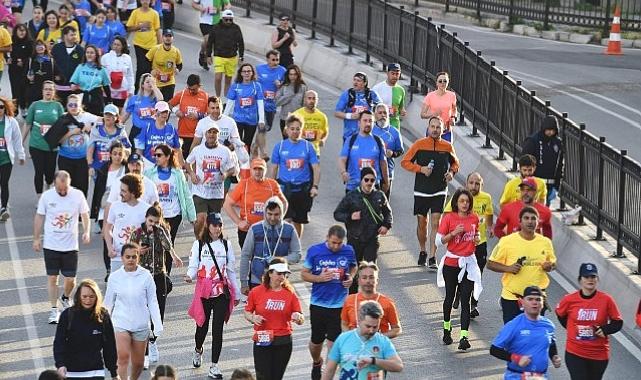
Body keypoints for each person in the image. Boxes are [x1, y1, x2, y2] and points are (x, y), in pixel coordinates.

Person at [185, 212, 241, 379]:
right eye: (214, 225)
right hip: (204, 291)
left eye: (220, 225)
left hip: (221, 292)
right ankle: (198, 350)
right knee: (201, 327)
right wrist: (189, 275)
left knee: (218, 330)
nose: (217, 228)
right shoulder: (199, 244)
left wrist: (236, 293)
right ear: (207, 226)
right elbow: (194, 265)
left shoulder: (226, 245)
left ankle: (214, 365)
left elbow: (231, 271)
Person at [401, 115, 459, 269]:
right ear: (428, 128)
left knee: (436, 223)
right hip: (421, 190)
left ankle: (433, 256)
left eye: (438, 127)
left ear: (443, 129)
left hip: (439, 190)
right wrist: (421, 169)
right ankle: (422, 250)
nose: (435, 130)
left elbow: (455, 164)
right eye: (432, 127)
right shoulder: (419, 144)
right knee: (422, 223)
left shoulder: (447, 146)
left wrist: (451, 174)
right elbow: (405, 162)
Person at [33, 171, 90, 324]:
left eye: (65, 188)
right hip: (51, 244)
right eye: (60, 189)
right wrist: (36, 238)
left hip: (70, 245)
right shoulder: (47, 196)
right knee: (52, 277)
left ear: (69, 183)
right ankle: (53, 309)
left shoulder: (77, 195)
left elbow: (85, 214)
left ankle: (65, 297)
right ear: (54, 184)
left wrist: (86, 231)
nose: (63, 191)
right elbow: (39, 216)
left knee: (70, 279)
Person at [301, 225, 357, 380]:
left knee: (333, 344)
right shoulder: (315, 251)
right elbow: (304, 274)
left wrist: (351, 277)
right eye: (333, 242)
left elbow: (353, 267)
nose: (336, 246)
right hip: (318, 304)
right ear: (327, 237)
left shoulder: (348, 251)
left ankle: (327, 374)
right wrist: (319, 278)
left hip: (339, 306)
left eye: (339, 243)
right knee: (316, 342)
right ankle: (317, 362)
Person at [128, 203, 182, 364]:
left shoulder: (161, 231)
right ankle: (143, 352)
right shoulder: (137, 233)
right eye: (151, 221)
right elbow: (128, 252)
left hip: (159, 275)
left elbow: (168, 246)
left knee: (159, 311)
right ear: (146, 219)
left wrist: (174, 255)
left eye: (156, 222)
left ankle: (153, 341)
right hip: (142, 276)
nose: (153, 225)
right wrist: (138, 250)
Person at [487, 206, 557, 324]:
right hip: (512, 299)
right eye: (526, 218)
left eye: (533, 218)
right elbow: (490, 264)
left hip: (536, 300)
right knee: (513, 338)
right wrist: (508, 268)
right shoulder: (506, 241)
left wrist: (549, 266)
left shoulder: (545, 242)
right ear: (520, 221)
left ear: (538, 222)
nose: (530, 221)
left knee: (533, 337)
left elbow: (553, 263)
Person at [105, 242, 163, 380]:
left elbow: (152, 301)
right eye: (127, 257)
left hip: (140, 324)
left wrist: (158, 324)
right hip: (120, 322)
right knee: (123, 356)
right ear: (122, 258)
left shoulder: (146, 276)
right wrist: (101, 324)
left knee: (138, 363)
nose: (130, 259)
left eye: (133, 256)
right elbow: (107, 303)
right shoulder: (114, 277)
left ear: (138, 257)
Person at [556, 263, 623, 380]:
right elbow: (560, 314)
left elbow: (617, 322)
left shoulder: (606, 300)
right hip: (575, 352)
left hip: (598, 354)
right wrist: (571, 328)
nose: (590, 280)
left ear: (597, 279)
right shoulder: (569, 299)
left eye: (593, 277)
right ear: (580, 280)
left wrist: (605, 330)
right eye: (586, 277)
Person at [435, 188, 481, 350]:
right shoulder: (449, 218)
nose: (464, 204)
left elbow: (476, 236)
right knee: (449, 297)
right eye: (461, 201)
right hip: (452, 263)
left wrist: (476, 239)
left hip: (468, 263)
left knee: (466, 300)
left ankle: (464, 337)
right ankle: (447, 328)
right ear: (456, 202)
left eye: (467, 201)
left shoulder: (474, 217)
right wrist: (453, 233)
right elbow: (438, 242)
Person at [333, 167, 392, 294]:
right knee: (353, 269)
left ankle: (370, 296)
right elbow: (337, 214)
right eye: (367, 180)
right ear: (361, 180)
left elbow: (388, 213)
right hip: (355, 239)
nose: (369, 183)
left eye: (372, 180)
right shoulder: (352, 196)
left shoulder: (379, 195)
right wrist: (350, 217)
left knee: (371, 270)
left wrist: (386, 225)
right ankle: (353, 297)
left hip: (372, 239)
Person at [244, 258, 305, 380]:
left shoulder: (290, 293)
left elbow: (301, 317)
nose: (282, 276)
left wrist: (298, 317)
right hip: (263, 338)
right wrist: (253, 317)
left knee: (276, 377)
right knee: (262, 377)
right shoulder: (256, 292)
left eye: (285, 274)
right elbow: (247, 312)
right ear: (270, 273)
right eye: (279, 273)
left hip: (283, 340)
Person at [444, 172, 494, 317]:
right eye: (471, 183)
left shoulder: (486, 198)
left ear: (481, 185)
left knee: (477, 273)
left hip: (480, 243)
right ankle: (459, 292)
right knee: (463, 273)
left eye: (477, 183)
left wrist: (490, 227)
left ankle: (473, 303)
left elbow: (489, 213)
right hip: (461, 245)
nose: (474, 186)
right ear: (466, 184)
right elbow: (447, 213)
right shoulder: (460, 198)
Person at [53, 279, 119, 380]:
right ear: (79, 297)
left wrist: (114, 373)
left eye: (92, 297)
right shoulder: (67, 315)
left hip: (95, 371)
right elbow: (59, 342)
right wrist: (60, 364)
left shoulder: (103, 316)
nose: (88, 300)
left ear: (97, 297)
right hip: (71, 372)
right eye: (84, 297)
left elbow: (109, 346)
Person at [490, 286, 562, 379]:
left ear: (542, 303)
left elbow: (551, 342)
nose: (534, 302)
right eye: (530, 299)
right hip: (516, 376)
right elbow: (494, 349)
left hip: (541, 376)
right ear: (522, 303)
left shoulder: (548, 325)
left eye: (538, 299)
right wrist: (516, 358)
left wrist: (554, 356)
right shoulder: (513, 325)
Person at [322, 300, 404, 380]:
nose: (371, 330)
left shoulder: (383, 341)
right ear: (359, 320)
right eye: (368, 326)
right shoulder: (343, 339)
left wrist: (373, 361)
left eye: (375, 327)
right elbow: (329, 370)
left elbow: (398, 366)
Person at [270, 114, 319, 238]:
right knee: (286, 219)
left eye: (298, 129)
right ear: (286, 130)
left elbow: (316, 168)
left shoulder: (308, 146)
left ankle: (296, 245)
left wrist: (315, 186)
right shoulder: (280, 146)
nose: (295, 131)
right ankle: (284, 244)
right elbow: (274, 167)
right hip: (285, 189)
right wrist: (272, 188)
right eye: (292, 128)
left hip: (303, 189)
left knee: (298, 221)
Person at [239, 196, 301, 293]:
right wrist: (244, 282)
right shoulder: (255, 229)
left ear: (282, 213)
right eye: (269, 214)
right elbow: (245, 255)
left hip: (280, 280)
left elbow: (297, 255)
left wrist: (278, 259)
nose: (272, 218)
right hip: (258, 279)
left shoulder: (289, 229)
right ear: (265, 212)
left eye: (276, 214)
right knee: (259, 308)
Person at [223, 157, 287, 248]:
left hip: (267, 230)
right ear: (251, 170)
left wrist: (278, 220)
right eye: (255, 169)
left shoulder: (272, 184)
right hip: (247, 230)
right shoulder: (243, 184)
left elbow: (284, 203)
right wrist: (239, 221)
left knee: (266, 259)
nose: (257, 172)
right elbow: (227, 204)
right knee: (249, 259)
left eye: (260, 169)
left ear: (265, 170)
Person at [185, 123, 236, 236]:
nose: (212, 135)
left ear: (218, 135)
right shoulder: (198, 150)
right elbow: (187, 163)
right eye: (209, 132)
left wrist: (226, 174)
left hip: (216, 193)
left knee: (214, 223)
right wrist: (192, 174)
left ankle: (211, 244)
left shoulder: (225, 151)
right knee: (201, 218)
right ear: (205, 134)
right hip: (199, 191)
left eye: (214, 132)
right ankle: (198, 244)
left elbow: (233, 168)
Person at [47, 93, 99, 197]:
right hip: (65, 158)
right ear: (67, 106)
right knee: (66, 188)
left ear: (80, 106)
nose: (73, 107)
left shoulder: (87, 116)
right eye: (71, 105)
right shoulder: (62, 118)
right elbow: (56, 142)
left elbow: (104, 120)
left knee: (82, 189)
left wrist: (92, 125)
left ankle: (81, 212)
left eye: (76, 105)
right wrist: (71, 133)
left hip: (83, 159)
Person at [90, 141, 127, 281]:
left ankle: (123, 266)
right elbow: (97, 192)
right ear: (110, 155)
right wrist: (94, 214)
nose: (117, 157)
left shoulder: (126, 170)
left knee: (121, 238)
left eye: (120, 154)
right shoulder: (103, 170)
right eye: (115, 154)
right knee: (108, 239)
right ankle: (109, 269)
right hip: (104, 210)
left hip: (123, 210)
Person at [146, 143, 196, 245]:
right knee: (157, 244)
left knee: (169, 244)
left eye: (159, 155)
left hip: (174, 215)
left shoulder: (177, 174)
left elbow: (186, 195)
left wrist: (192, 216)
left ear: (168, 156)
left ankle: (168, 261)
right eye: (155, 155)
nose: (156, 157)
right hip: (156, 215)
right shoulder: (149, 173)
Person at [23, 81, 64, 198]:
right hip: (36, 144)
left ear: (54, 92)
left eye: (51, 89)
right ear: (42, 91)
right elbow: (28, 124)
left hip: (52, 146)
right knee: (39, 171)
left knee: (50, 173)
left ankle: (48, 185)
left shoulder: (58, 106)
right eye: (46, 89)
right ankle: (40, 197)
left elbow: (63, 125)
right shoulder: (35, 105)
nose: (48, 91)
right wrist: (20, 142)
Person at [341, 262, 401, 338]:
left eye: (371, 277)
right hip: (355, 347)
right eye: (364, 277)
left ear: (377, 280)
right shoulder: (349, 300)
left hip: (377, 347)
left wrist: (380, 337)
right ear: (359, 280)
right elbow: (344, 324)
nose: (368, 281)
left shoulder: (387, 302)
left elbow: (396, 328)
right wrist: (351, 337)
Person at [104, 173, 150, 272]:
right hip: (118, 257)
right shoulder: (115, 206)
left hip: (137, 259)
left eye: (123, 191)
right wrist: (110, 248)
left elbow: (152, 233)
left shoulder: (146, 209)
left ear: (133, 193)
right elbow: (107, 229)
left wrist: (143, 248)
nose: (120, 193)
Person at [338, 110, 389, 193]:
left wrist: (386, 182)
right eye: (365, 121)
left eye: (370, 121)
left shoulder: (378, 141)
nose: (368, 124)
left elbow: (383, 163)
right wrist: (343, 172)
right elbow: (342, 159)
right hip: (353, 186)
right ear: (359, 123)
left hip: (372, 187)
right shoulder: (351, 140)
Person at [223, 63, 265, 158]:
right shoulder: (236, 86)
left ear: (252, 73)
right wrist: (224, 118)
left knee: (247, 143)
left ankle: (244, 164)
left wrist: (261, 120)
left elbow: (260, 103)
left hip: (251, 120)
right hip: (238, 119)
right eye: (244, 71)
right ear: (241, 73)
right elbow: (230, 102)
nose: (246, 73)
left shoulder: (256, 86)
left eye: (249, 71)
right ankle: (236, 161)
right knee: (237, 142)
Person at [522, 115, 564, 206]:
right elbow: (524, 162)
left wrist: (556, 187)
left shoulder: (557, 143)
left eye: (553, 130)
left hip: (549, 185)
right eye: (548, 130)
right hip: (534, 184)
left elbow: (560, 165)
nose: (550, 132)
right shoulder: (533, 141)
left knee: (543, 212)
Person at [205, 9, 244, 99]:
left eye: (230, 20)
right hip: (219, 56)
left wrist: (241, 56)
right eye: (226, 19)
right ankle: (218, 97)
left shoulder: (236, 28)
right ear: (222, 18)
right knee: (218, 78)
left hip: (232, 57)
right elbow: (210, 42)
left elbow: (241, 43)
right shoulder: (216, 28)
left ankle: (227, 99)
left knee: (228, 79)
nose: (228, 22)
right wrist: (208, 55)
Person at [168, 73, 209, 159]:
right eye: (189, 89)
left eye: (193, 89)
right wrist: (176, 111)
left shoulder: (205, 96)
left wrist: (198, 115)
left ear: (199, 86)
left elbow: (210, 115)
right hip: (183, 133)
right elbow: (169, 104)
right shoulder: (182, 94)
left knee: (195, 160)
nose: (191, 91)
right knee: (181, 160)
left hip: (197, 135)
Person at [255, 50, 286, 157]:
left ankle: (255, 146)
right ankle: (263, 152)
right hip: (260, 104)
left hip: (272, 105)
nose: (275, 62)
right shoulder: (259, 69)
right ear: (267, 59)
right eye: (273, 60)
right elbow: (253, 82)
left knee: (267, 128)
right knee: (262, 127)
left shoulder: (282, 71)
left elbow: (286, 88)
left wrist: (280, 85)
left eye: (277, 60)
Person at [334, 72, 381, 141]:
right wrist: (350, 116)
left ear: (364, 83)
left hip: (368, 135)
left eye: (358, 81)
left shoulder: (372, 94)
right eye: (354, 80)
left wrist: (370, 117)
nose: (355, 83)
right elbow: (337, 113)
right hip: (349, 136)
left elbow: (381, 110)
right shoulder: (347, 94)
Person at [87, 104, 131, 177]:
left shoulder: (121, 132)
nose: (108, 117)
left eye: (111, 115)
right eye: (106, 114)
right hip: (98, 168)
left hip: (115, 169)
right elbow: (90, 149)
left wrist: (121, 151)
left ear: (116, 117)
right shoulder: (96, 130)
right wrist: (90, 166)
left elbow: (128, 150)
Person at [134, 100, 182, 168]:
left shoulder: (172, 129)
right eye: (162, 112)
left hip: (167, 166)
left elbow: (177, 149)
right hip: (149, 166)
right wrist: (138, 166)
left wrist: (182, 168)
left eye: (166, 112)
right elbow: (139, 150)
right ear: (155, 112)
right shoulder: (146, 128)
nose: (165, 114)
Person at [126, 0, 161, 93]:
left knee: (149, 69)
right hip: (139, 44)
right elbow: (129, 27)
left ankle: (149, 90)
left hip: (152, 46)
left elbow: (157, 30)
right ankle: (136, 90)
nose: (145, 1)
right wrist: (140, 26)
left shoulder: (154, 14)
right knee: (141, 68)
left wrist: (160, 45)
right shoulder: (135, 12)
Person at [0, 97, 26, 221]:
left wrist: (21, 155)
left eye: (1, 107)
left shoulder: (11, 122)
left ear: (5, 108)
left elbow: (17, 140)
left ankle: (3, 208)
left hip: (5, 159)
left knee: (4, 183)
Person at [121, 73, 163, 147]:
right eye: (147, 82)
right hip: (137, 131)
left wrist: (154, 86)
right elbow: (126, 115)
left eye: (152, 82)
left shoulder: (155, 99)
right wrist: (118, 124)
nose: (150, 84)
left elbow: (161, 100)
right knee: (135, 154)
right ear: (142, 85)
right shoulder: (134, 99)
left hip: (151, 131)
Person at [372, 103, 403, 198]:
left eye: (385, 113)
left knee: (384, 202)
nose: (382, 115)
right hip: (372, 172)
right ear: (375, 115)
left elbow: (400, 150)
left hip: (388, 171)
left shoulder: (394, 132)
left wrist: (393, 153)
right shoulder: (370, 130)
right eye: (380, 113)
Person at [70, 45, 111, 115]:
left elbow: (106, 87)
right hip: (82, 99)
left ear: (96, 55)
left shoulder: (102, 70)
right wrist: (74, 86)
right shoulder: (80, 67)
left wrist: (109, 102)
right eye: (87, 52)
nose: (89, 55)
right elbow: (72, 84)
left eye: (92, 53)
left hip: (97, 99)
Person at [192, 0, 231, 71]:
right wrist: (202, 9)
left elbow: (228, 4)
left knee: (210, 42)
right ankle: (204, 54)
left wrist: (222, 10)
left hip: (216, 22)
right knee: (208, 39)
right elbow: (194, 4)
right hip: (204, 21)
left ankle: (204, 55)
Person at [146, 28, 182, 101]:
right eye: (166, 36)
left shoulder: (176, 51)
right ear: (162, 37)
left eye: (170, 36)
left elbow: (179, 64)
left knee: (166, 105)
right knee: (154, 104)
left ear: (173, 38)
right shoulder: (155, 49)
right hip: (156, 82)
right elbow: (146, 61)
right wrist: (151, 71)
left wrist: (177, 70)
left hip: (169, 82)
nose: (168, 38)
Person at [420, 71, 457, 142]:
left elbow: (454, 109)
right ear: (436, 83)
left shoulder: (452, 95)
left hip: (446, 131)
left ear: (448, 82)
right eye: (440, 81)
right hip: (433, 132)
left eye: (445, 81)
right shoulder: (430, 96)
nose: (442, 83)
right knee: (431, 152)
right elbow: (422, 115)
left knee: (447, 152)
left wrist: (453, 118)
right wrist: (432, 114)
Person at [50, 26, 83, 104]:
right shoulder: (57, 48)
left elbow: (82, 67)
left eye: (75, 35)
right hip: (59, 86)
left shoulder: (80, 50)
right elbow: (52, 64)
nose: (74, 37)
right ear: (65, 36)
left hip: (74, 88)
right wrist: (55, 75)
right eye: (72, 35)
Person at [100, 36, 134, 110]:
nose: (116, 46)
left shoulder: (127, 58)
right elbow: (101, 74)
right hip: (108, 89)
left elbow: (130, 75)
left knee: (119, 112)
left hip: (122, 89)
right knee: (108, 110)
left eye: (118, 45)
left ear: (123, 46)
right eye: (114, 44)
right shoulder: (105, 57)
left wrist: (131, 89)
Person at [371, 63, 406, 130]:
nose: (395, 76)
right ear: (387, 73)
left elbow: (401, 108)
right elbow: (371, 107)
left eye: (397, 74)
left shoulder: (401, 90)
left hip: (394, 126)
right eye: (392, 73)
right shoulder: (377, 88)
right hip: (380, 126)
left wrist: (402, 111)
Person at [276, 64, 307, 137]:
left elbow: (305, 105)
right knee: (287, 142)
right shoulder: (284, 87)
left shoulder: (303, 88)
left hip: (298, 120)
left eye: (295, 74)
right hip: (285, 119)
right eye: (291, 74)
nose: (293, 77)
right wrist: (288, 96)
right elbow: (276, 102)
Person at [8, 24, 33, 115]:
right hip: (14, 69)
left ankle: (23, 108)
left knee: (23, 89)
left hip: (25, 70)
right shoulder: (12, 41)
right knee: (15, 89)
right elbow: (7, 52)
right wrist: (9, 59)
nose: (22, 32)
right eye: (20, 30)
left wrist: (24, 61)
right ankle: (14, 109)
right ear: (16, 31)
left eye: (24, 30)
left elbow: (31, 56)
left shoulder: (29, 42)